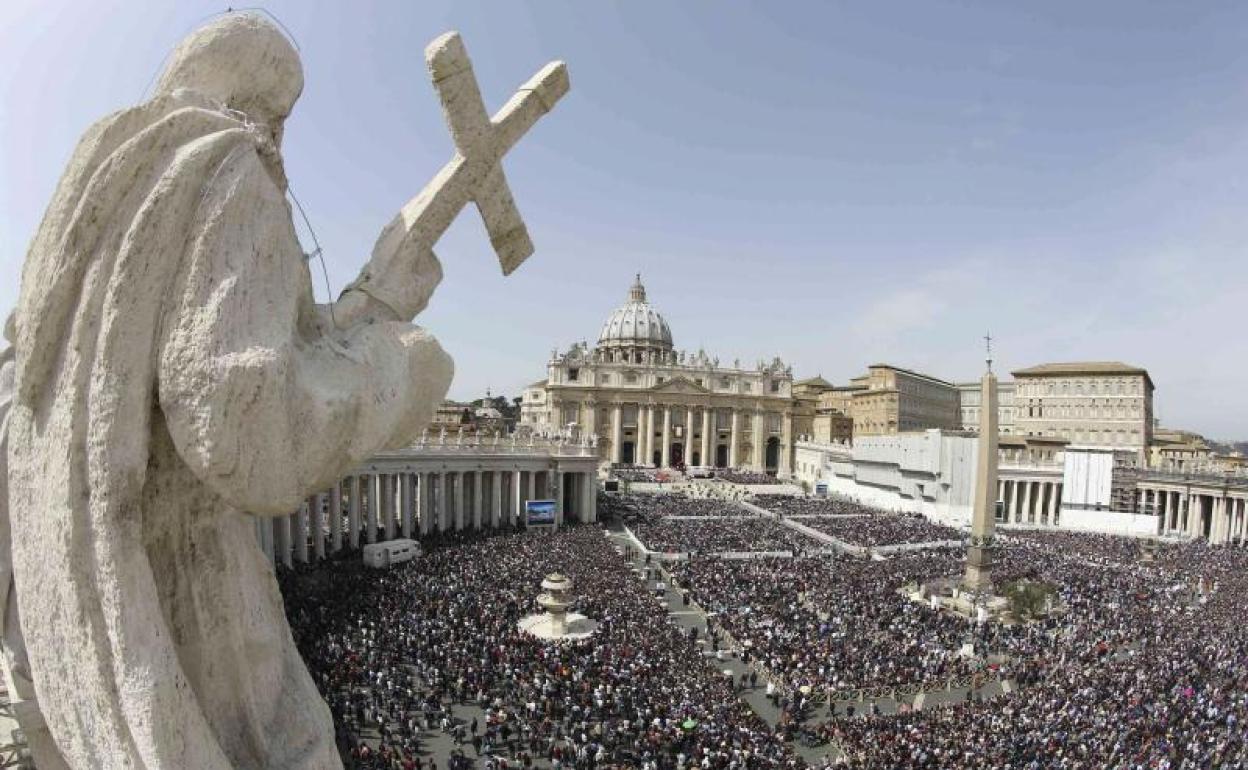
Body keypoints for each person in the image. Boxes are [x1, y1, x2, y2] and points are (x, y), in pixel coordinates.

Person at [8, 12, 451, 768]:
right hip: (182, 598)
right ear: (268, 106)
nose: (281, 144)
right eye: (284, 117)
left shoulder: (98, 182)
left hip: (49, 598)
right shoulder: (225, 167)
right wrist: (396, 364)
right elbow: (245, 427)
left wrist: (366, 304)